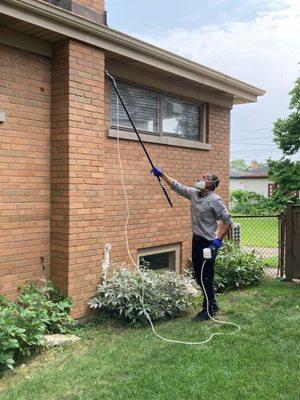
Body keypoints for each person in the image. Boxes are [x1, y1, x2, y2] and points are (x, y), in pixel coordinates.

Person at [151, 167, 232, 321]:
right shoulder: (194, 194)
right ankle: (213, 304)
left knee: (206, 277)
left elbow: (228, 221)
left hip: (209, 244)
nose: (199, 179)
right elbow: (177, 186)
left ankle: (208, 310)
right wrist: (162, 174)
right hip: (196, 241)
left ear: (210, 184)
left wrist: (218, 240)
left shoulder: (215, 200)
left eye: (204, 178)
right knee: (199, 275)